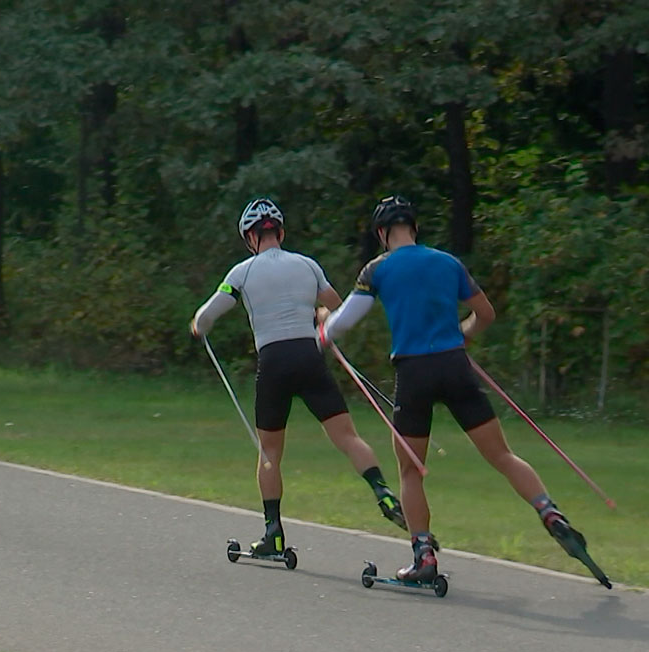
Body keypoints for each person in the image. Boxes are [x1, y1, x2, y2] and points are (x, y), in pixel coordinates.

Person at [321, 195, 591, 581]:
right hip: (455, 366)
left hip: (414, 373)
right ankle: (549, 510)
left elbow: (344, 322)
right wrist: (461, 335)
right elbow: (486, 314)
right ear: (414, 228)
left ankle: (424, 556)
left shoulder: (377, 269)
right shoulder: (448, 263)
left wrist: (322, 332)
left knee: (411, 471)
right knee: (502, 455)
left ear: (382, 233)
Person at [191, 197, 406, 558]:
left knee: (270, 451)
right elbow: (335, 304)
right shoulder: (307, 265)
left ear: (250, 238)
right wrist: (321, 312)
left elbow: (211, 311)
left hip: (273, 362)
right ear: (281, 232)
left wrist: (199, 325)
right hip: (309, 357)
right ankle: (382, 491)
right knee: (347, 436)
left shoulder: (241, 273)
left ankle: (273, 532)